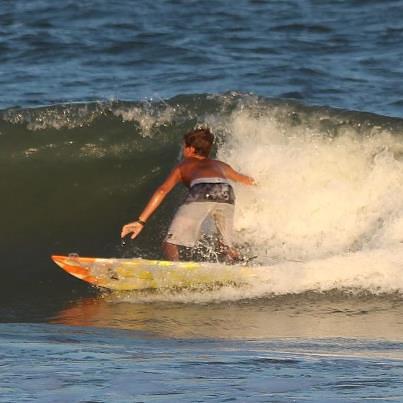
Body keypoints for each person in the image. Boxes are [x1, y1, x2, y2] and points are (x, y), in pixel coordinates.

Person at [120, 128, 255, 261]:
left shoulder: (183, 165)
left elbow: (162, 190)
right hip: (226, 192)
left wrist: (140, 221)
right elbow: (247, 181)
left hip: (203, 189)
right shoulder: (220, 165)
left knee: (170, 243)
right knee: (225, 246)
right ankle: (240, 263)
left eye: (184, 146)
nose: (183, 149)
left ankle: (176, 270)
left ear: (190, 149)